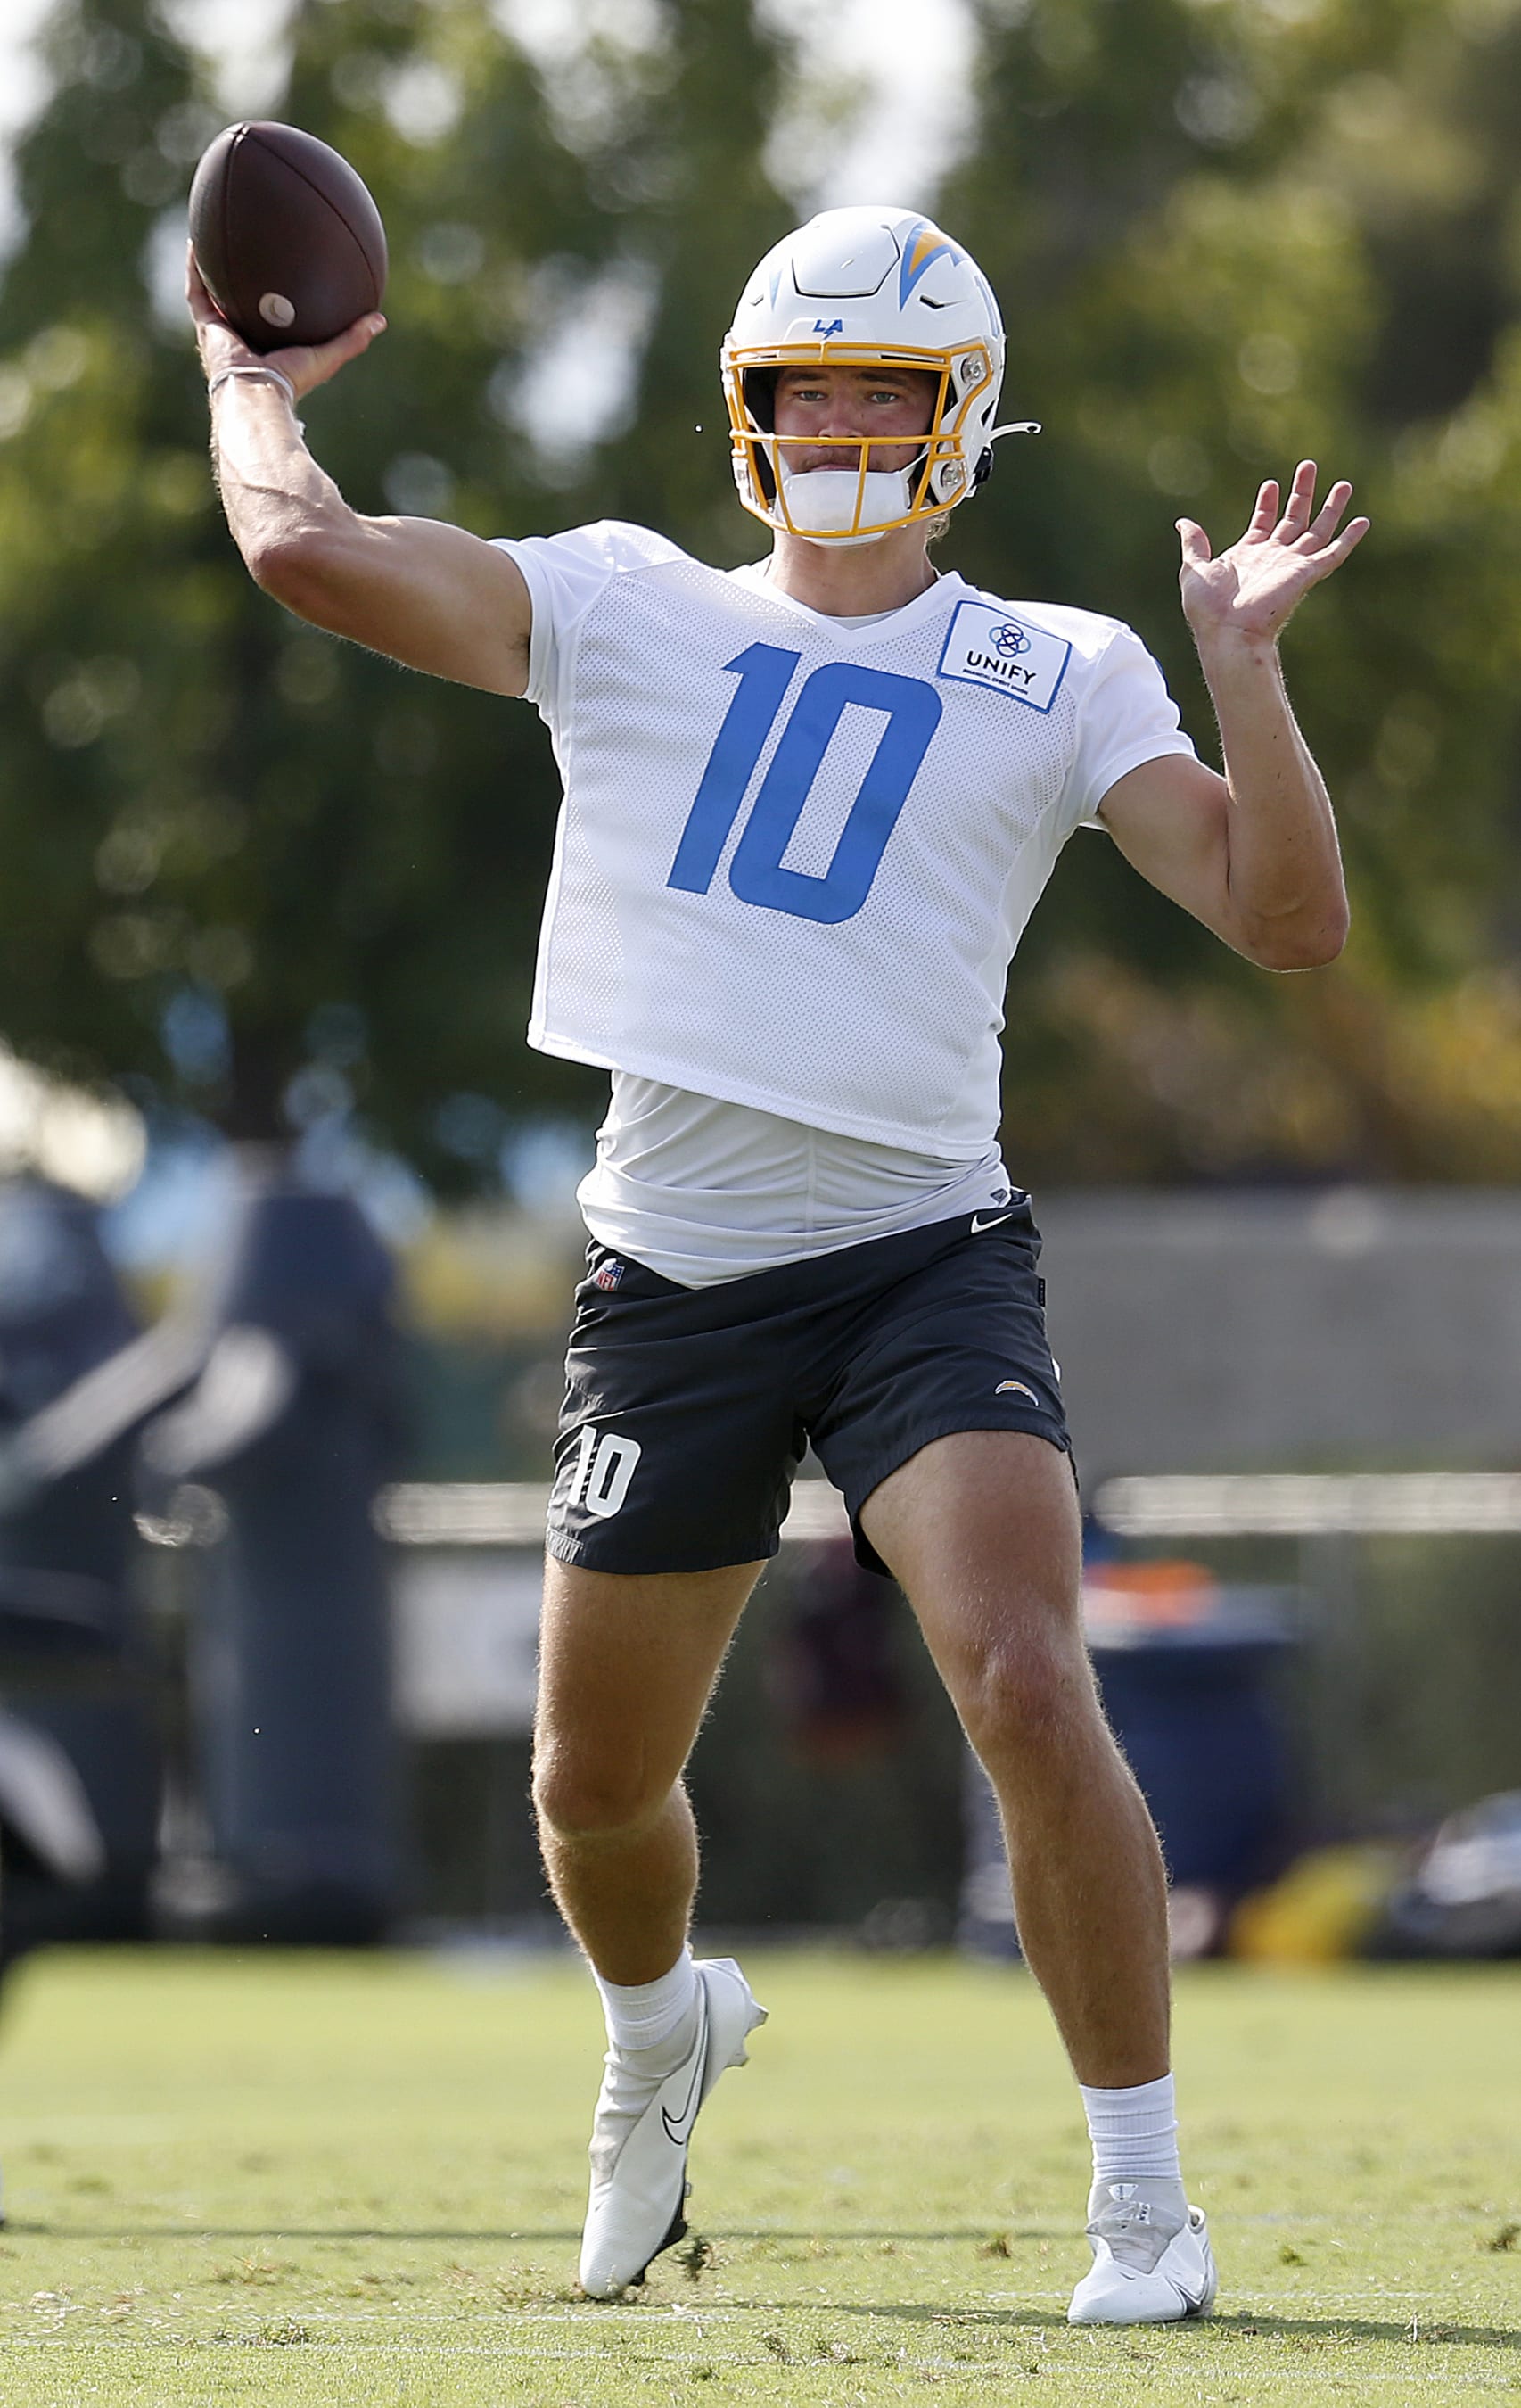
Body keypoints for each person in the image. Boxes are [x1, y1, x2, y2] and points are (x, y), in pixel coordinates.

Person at [189, 202, 1364, 2323]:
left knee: (1020, 1671)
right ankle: (659, 2036)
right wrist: (244, 371)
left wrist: (1248, 673)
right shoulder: (624, 604)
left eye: (880, 390)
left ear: (958, 420)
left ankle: (1145, 2204)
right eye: (802, 387)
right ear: (744, 416)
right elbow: (301, 554)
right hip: (674, 1277)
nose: (835, 423)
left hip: (924, 1254)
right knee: (593, 1786)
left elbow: (1282, 925)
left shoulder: (1060, 661)